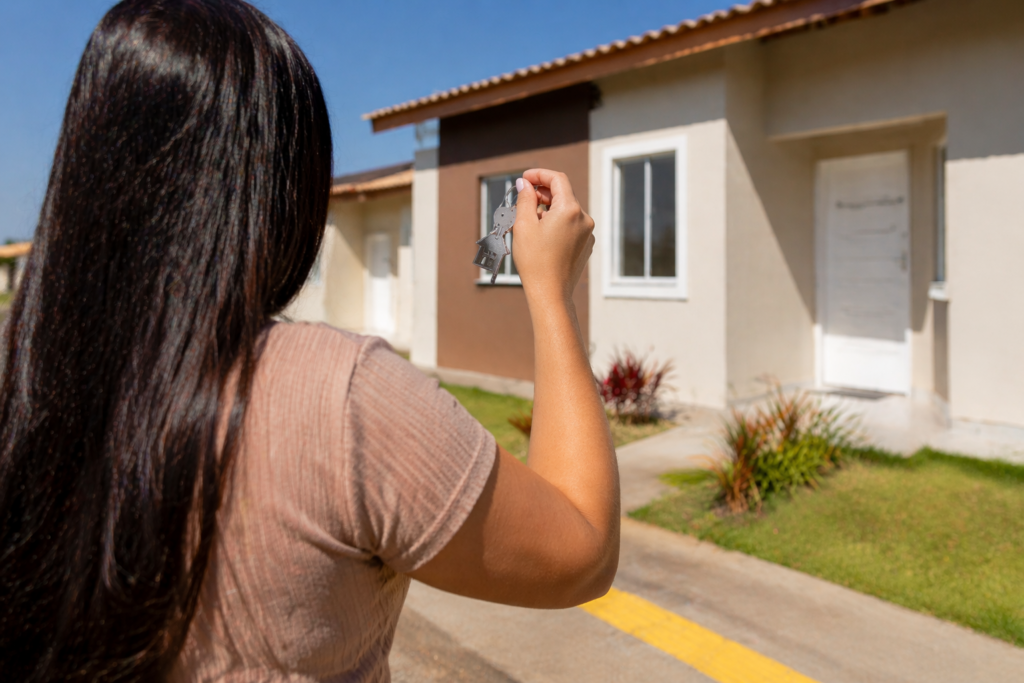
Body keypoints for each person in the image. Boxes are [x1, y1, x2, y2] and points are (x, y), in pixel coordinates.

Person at [0, 0, 618, 681]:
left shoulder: (20, 377)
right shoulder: (341, 398)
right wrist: (551, 291)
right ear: (280, 189)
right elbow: (581, 549)